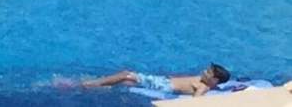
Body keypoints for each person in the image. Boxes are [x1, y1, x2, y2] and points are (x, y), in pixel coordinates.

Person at [80, 65, 231, 95]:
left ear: (214, 80)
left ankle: (88, 84)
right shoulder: (202, 80)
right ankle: (101, 86)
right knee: (125, 81)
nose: (204, 71)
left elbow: (196, 103)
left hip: (162, 87)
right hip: (163, 81)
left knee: (126, 74)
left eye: (208, 72)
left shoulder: (203, 87)